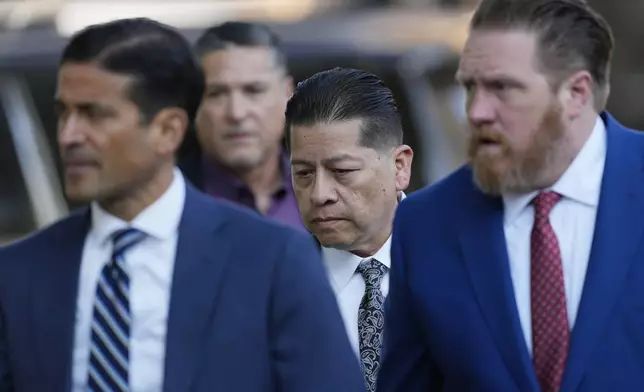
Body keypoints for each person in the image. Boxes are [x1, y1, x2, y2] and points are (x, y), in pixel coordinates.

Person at [0, 18, 364, 392]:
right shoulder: (18, 275)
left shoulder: (275, 260)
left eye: (94, 114)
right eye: (63, 113)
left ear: (168, 130)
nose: (68, 136)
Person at [378, 0, 644, 391]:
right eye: (469, 87)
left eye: (502, 87)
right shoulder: (425, 224)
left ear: (576, 93)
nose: (477, 111)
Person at [286, 67, 413, 392]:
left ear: (399, 167)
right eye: (303, 173)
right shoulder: (272, 284)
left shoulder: (460, 262)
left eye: (342, 171)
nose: (319, 194)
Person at [179, 21, 304, 230]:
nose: (236, 113)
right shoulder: (166, 204)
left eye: (254, 91)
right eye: (216, 93)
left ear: (288, 94)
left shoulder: (329, 191)